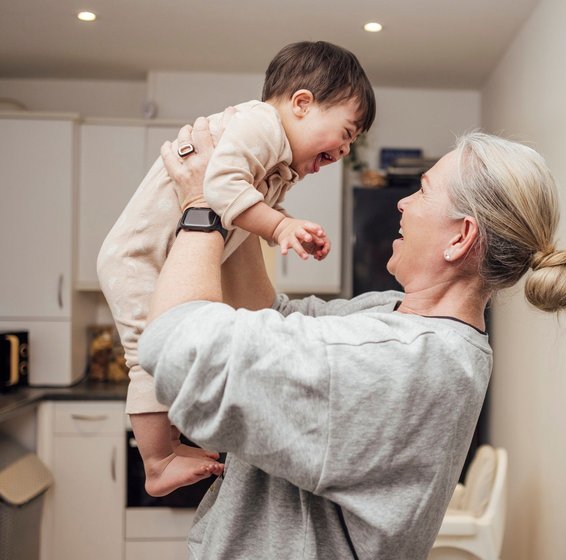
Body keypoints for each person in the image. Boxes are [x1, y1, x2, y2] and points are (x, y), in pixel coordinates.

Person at [139, 118, 566, 559]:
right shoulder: (397, 315)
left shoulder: (399, 364)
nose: (402, 204)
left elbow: (176, 346)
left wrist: (201, 207)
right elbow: (273, 316)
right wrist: (241, 199)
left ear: (461, 237)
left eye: (423, 190)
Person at [97, 40, 376, 497]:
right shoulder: (260, 125)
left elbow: (242, 215)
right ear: (302, 103)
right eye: (345, 132)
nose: (345, 149)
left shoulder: (278, 159)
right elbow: (220, 186)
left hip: (161, 257)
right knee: (149, 354)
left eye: (352, 142)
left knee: (168, 349)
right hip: (137, 258)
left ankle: (169, 447)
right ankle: (158, 461)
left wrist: (279, 227)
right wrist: (280, 225)